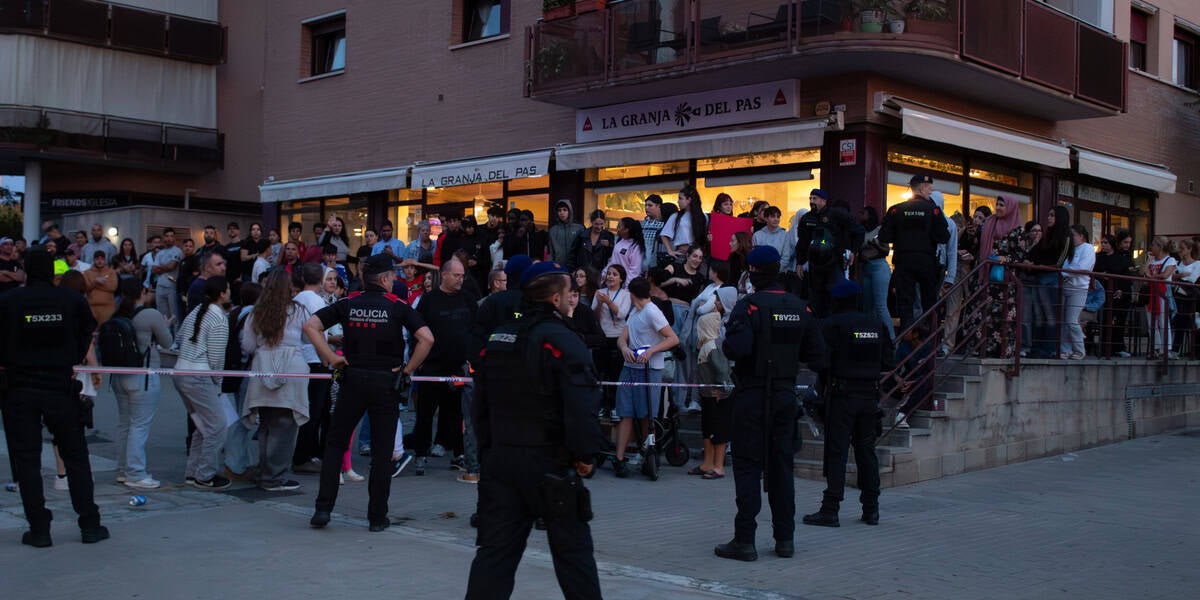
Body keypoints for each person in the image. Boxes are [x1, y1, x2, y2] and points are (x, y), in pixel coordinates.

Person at [465, 261, 604, 600]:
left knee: (494, 555)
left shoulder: (498, 338)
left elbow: (479, 406)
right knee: (574, 559)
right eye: (571, 293)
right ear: (555, 298)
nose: (574, 299)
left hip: (501, 461)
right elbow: (581, 406)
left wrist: (487, 452)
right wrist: (585, 455)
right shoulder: (561, 340)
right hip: (549, 463)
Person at [304, 254, 434, 531]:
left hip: (352, 379)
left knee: (336, 444)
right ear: (386, 279)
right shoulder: (397, 306)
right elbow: (427, 338)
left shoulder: (348, 303)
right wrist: (408, 370)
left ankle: (322, 510)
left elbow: (310, 326)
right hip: (385, 383)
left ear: (365, 278)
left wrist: (330, 356)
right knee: (382, 451)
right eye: (393, 277)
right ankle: (377, 517)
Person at [714, 246, 825, 562]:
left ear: (753, 272)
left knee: (748, 468)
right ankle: (784, 539)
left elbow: (737, 348)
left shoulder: (748, 308)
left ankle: (745, 540)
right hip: (784, 397)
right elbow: (817, 356)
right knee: (782, 469)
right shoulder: (801, 309)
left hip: (752, 395)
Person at [0, 247, 110, 548]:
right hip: (60, 385)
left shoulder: (9, 301)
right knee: (75, 456)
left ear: (25, 270)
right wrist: (70, 357)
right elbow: (88, 331)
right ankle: (89, 523)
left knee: (27, 460)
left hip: (19, 388)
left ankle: (39, 529)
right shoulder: (71, 300)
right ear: (52, 271)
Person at [802, 279, 894, 528]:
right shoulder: (876, 324)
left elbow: (819, 362)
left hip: (842, 396)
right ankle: (871, 509)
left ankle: (830, 509)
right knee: (866, 451)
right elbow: (888, 361)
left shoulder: (831, 324)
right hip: (869, 397)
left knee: (837, 452)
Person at [241, 269, 310, 492]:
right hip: (291, 369)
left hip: (263, 367)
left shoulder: (256, 313)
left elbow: (248, 346)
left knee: (266, 425)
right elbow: (309, 337)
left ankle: (265, 472)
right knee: (285, 427)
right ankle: (274, 477)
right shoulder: (298, 311)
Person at [413, 258, 478, 476]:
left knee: (457, 413)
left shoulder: (468, 299)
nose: (461, 279)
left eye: (462, 276)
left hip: (459, 368)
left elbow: (475, 330)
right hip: (432, 368)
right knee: (425, 413)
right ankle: (420, 453)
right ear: (445, 275)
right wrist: (418, 362)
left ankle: (459, 453)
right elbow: (417, 332)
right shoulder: (429, 301)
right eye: (457, 275)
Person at [611, 277, 679, 478]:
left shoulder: (652, 311)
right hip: (629, 367)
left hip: (649, 370)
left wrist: (651, 351)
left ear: (632, 294)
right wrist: (624, 347)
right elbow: (623, 336)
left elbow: (673, 338)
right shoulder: (635, 311)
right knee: (626, 413)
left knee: (646, 415)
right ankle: (620, 458)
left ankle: (648, 454)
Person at [110, 279, 173, 490]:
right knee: (140, 425)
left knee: (124, 424)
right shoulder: (150, 315)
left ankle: (122, 469)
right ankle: (136, 472)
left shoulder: (117, 313)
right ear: (142, 292)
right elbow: (167, 342)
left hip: (119, 376)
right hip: (143, 375)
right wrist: (166, 324)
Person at [175, 276, 232, 490]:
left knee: (203, 426)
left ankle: (193, 473)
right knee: (217, 427)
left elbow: (179, 338)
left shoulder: (198, 310)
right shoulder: (219, 318)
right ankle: (205, 475)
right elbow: (217, 357)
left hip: (182, 371)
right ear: (223, 294)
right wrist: (217, 383)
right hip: (198, 375)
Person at [878, 175, 950, 330]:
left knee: (905, 304)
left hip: (903, 262)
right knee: (929, 304)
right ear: (922, 187)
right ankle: (929, 343)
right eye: (930, 189)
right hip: (927, 263)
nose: (931, 192)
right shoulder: (934, 210)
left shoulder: (896, 210)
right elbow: (944, 237)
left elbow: (884, 236)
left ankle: (906, 341)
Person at [292, 263, 333, 474]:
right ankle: (303, 455)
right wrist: (326, 357)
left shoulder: (296, 299)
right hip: (314, 359)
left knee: (309, 408)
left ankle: (310, 451)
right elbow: (319, 331)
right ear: (319, 279)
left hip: (300, 358)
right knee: (313, 410)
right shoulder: (316, 300)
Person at [795, 189, 859, 318]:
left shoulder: (836, 214)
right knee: (816, 300)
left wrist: (853, 251)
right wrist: (800, 262)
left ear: (824, 201)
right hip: (815, 265)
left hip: (834, 263)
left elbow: (858, 230)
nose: (812, 201)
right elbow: (802, 242)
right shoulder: (807, 218)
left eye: (815, 198)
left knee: (833, 297)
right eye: (810, 198)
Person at [857, 206, 894, 339]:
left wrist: (875, 245)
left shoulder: (880, 230)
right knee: (867, 307)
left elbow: (885, 251)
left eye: (863, 213)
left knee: (880, 305)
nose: (860, 215)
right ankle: (871, 338)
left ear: (870, 215)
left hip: (879, 267)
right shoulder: (861, 231)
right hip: (866, 268)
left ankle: (891, 339)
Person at [1060, 225, 1095, 360]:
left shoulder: (1088, 248)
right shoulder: (1070, 249)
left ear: (1082, 236)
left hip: (1079, 288)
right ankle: (1066, 349)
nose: (1072, 238)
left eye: (1074, 235)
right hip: (1066, 286)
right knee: (1064, 320)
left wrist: (1065, 273)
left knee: (1071, 320)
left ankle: (1080, 349)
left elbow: (1083, 267)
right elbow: (1066, 265)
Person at [1144, 236, 1177, 359]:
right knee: (1151, 321)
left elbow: (1166, 275)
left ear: (1160, 247)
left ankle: (1166, 348)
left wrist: (1151, 276)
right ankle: (1156, 347)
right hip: (1152, 292)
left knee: (1163, 321)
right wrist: (1149, 260)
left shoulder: (1170, 260)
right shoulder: (1152, 260)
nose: (1151, 247)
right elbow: (1144, 271)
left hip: (1162, 293)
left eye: (1153, 245)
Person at [661, 185, 708, 262]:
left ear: (689, 200)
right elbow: (664, 235)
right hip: (682, 253)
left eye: (680, 198)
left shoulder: (703, 217)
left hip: (697, 255)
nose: (678, 201)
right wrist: (670, 251)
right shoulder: (676, 216)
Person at [151, 230, 182, 330]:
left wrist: (161, 267)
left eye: (171, 236)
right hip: (160, 285)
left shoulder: (177, 251)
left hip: (172, 285)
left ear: (174, 238)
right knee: (162, 315)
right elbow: (154, 269)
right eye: (167, 236)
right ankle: (164, 340)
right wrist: (164, 267)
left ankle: (176, 341)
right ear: (163, 238)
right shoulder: (160, 253)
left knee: (174, 315)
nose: (169, 238)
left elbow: (172, 266)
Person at [752, 206, 794, 273]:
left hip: (779, 273)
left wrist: (776, 270)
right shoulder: (757, 235)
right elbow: (755, 255)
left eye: (778, 217)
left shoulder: (785, 235)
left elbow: (786, 257)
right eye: (773, 217)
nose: (776, 219)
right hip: (761, 274)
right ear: (766, 218)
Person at [83, 251, 119, 324]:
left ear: (105, 260)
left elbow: (113, 287)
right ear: (94, 260)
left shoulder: (111, 272)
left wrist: (96, 284)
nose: (99, 261)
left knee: (106, 331)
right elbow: (85, 288)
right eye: (97, 259)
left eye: (102, 259)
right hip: (91, 307)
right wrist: (96, 281)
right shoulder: (87, 273)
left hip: (108, 307)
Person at [548, 199, 584, 264]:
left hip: (575, 268)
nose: (562, 213)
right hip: (558, 267)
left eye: (565, 210)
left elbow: (583, 251)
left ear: (569, 211)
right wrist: (551, 265)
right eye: (559, 210)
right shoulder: (552, 231)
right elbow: (551, 252)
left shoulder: (579, 228)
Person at [642, 194, 667, 271]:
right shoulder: (642, 223)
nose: (646, 208)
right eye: (645, 205)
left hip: (655, 260)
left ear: (658, 206)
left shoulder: (664, 224)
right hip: (640, 259)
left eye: (650, 205)